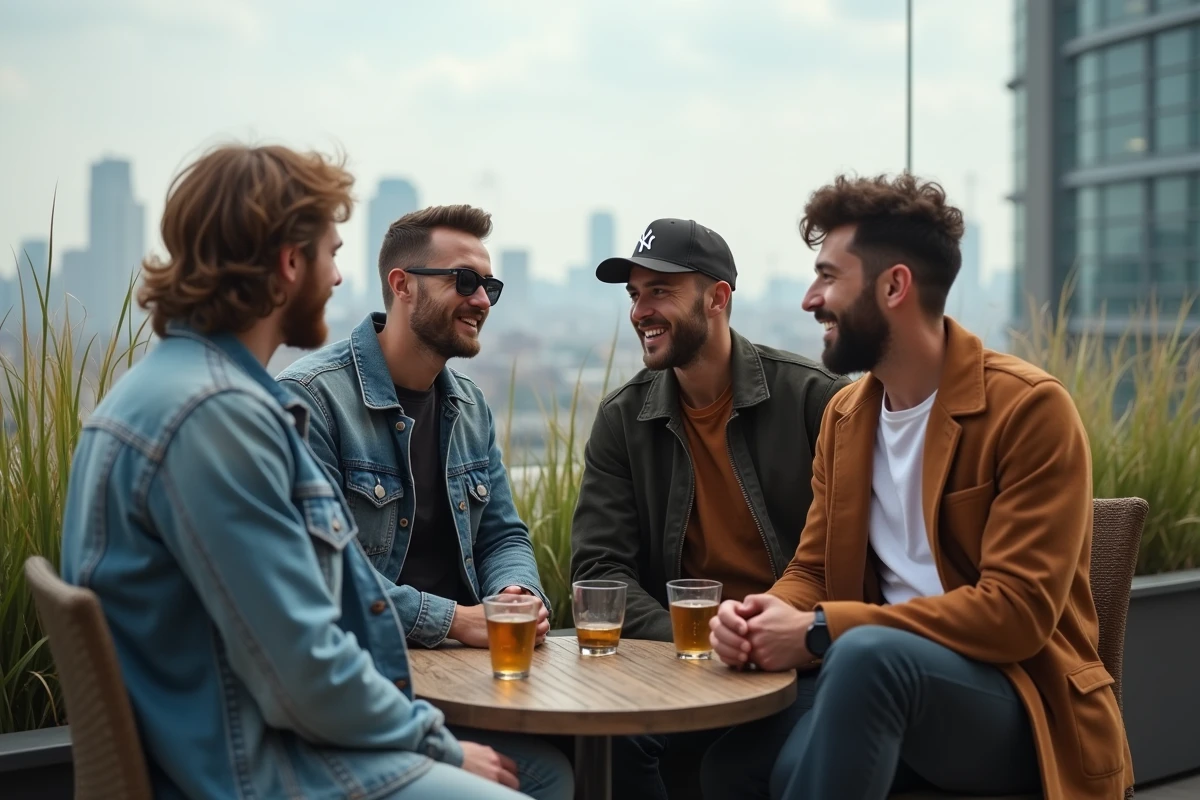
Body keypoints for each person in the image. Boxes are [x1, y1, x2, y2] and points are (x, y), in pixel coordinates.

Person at [59, 144, 562, 799]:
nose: (337, 279)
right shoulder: (218, 417)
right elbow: (302, 667)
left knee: (548, 769)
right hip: (258, 770)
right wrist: (435, 744)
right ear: (288, 263)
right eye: (330, 253)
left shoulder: (173, 393)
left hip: (238, 746)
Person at [705, 173, 1134, 800]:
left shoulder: (1029, 410)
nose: (808, 298)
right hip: (876, 679)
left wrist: (823, 631)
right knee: (732, 764)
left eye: (828, 276)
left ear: (894, 285)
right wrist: (769, 611)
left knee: (865, 661)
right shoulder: (846, 417)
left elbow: (1015, 614)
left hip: (1020, 698)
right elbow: (816, 569)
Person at [276, 204, 571, 799]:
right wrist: (458, 622)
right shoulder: (312, 403)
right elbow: (328, 581)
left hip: (466, 682)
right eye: (464, 281)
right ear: (402, 285)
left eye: (490, 285)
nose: (482, 300)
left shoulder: (469, 404)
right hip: (367, 689)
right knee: (545, 776)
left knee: (590, 747)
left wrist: (515, 594)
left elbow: (503, 535)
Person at [569, 217, 849, 798]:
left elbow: (856, 560)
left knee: (736, 766)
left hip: (797, 655)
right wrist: (695, 636)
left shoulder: (814, 399)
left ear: (717, 298)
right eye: (634, 294)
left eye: (660, 292)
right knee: (609, 743)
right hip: (680, 661)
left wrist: (769, 634)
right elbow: (600, 571)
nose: (640, 311)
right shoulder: (622, 419)